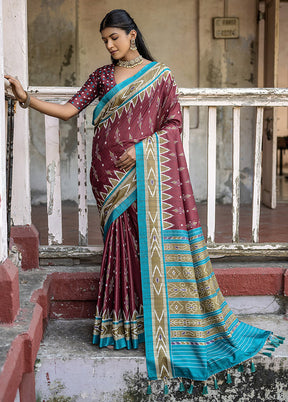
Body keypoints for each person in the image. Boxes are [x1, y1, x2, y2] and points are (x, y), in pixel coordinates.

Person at [5, 8, 284, 396]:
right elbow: (70, 110)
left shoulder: (160, 76)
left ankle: (149, 323)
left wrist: (141, 150)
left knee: (140, 247)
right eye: (104, 40)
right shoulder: (102, 76)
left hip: (142, 173)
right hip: (106, 176)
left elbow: (172, 125)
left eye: (114, 38)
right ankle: (121, 326)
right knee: (118, 248)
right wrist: (27, 99)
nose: (109, 45)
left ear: (132, 35)